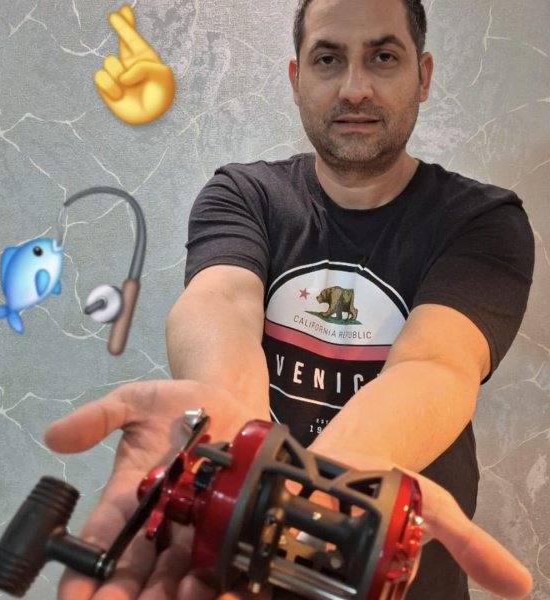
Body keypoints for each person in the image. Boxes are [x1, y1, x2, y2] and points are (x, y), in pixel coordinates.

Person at [44, 0, 534, 598]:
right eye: (328, 59)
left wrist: (291, 486)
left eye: (383, 57)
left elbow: (437, 362)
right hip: (231, 559)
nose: (354, 88)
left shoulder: (482, 220)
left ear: (423, 76)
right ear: (297, 79)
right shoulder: (245, 194)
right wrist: (238, 442)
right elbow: (220, 304)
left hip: (396, 575)